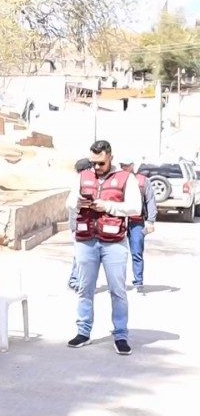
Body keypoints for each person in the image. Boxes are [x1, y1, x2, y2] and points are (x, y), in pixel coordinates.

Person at [67, 140, 141, 355]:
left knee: (118, 291)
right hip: (86, 240)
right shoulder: (83, 176)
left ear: (110, 157)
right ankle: (83, 331)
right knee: (84, 289)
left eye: (100, 163)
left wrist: (107, 206)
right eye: (93, 163)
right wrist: (79, 203)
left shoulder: (127, 179)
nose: (96, 168)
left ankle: (120, 335)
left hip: (114, 242)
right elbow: (69, 202)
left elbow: (135, 207)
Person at [118, 155, 156, 293]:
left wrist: (150, 221)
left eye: (126, 165)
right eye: (122, 165)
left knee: (137, 253)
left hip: (136, 222)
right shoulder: (116, 180)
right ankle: (117, 284)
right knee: (117, 254)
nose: (124, 168)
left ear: (133, 165)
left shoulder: (142, 181)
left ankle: (138, 283)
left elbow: (150, 201)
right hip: (119, 222)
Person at [68, 158, 93, 292]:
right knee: (81, 255)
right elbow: (72, 205)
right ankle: (76, 281)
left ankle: (75, 280)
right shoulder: (81, 183)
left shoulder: (80, 181)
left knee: (80, 254)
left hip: (79, 224)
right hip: (78, 224)